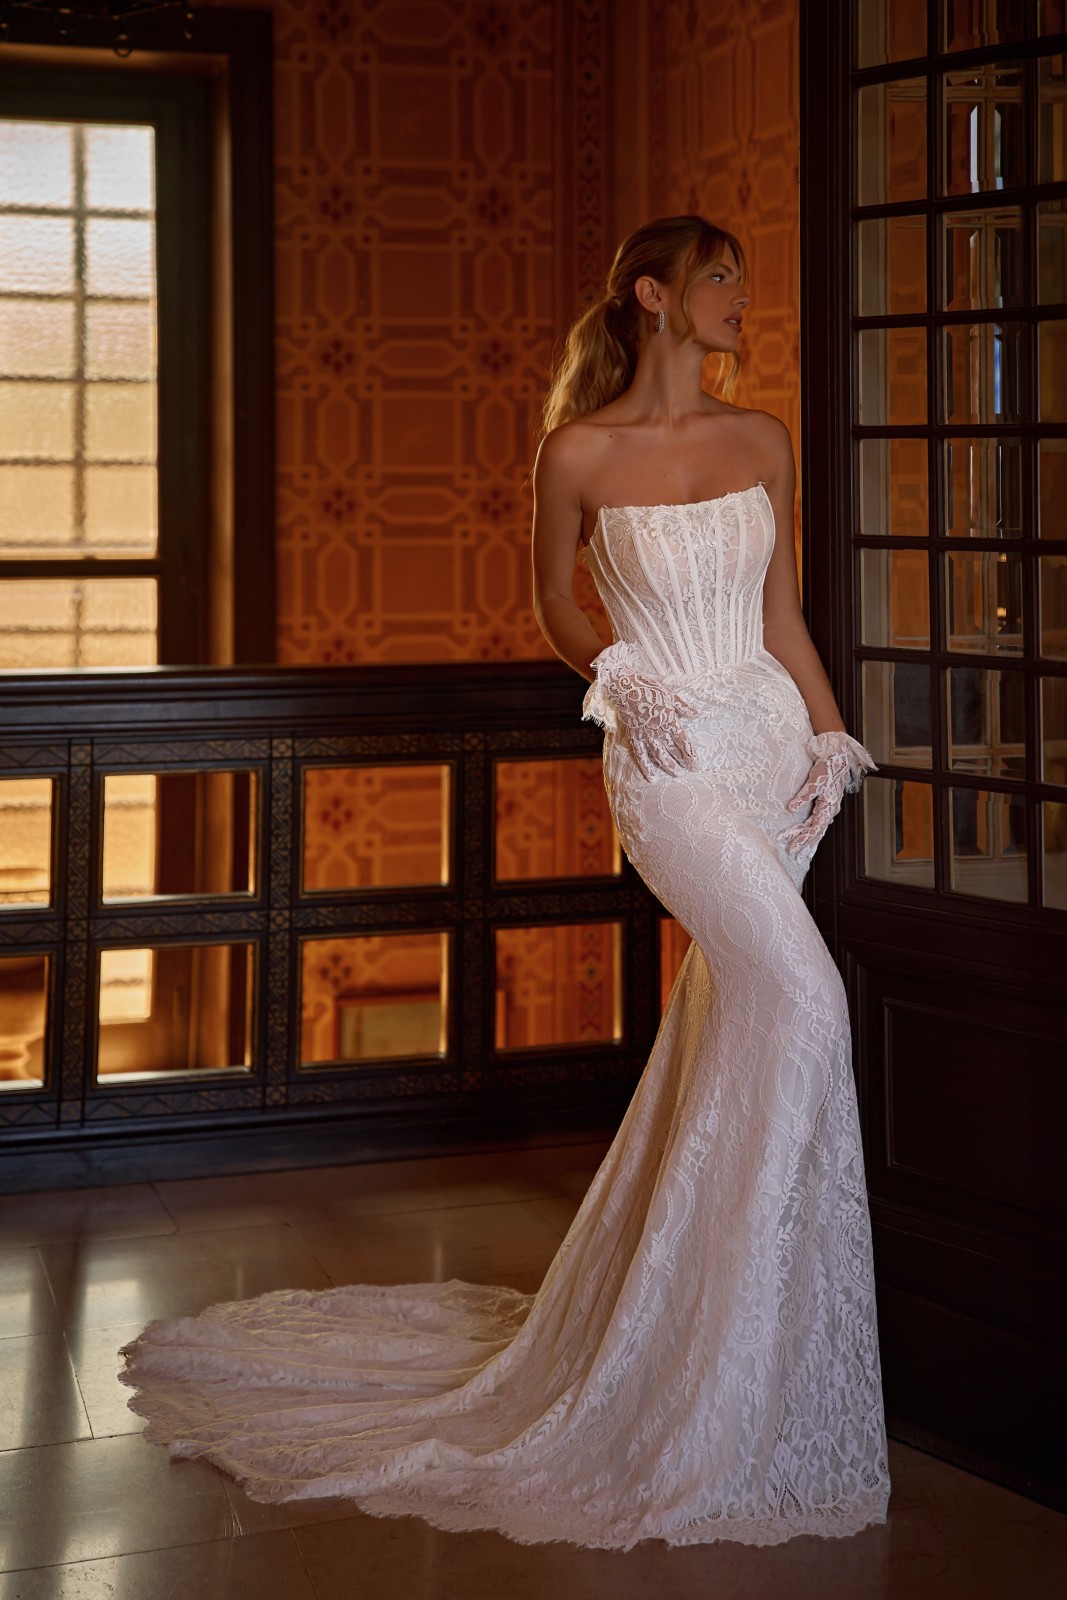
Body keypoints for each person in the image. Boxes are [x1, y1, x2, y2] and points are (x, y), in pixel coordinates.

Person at [120, 215, 889, 1552]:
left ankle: (721, 1341)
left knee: (736, 1027)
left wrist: (827, 732)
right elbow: (552, 600)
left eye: (742, 284)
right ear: (653, 295)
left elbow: (781, 618)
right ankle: (707, 1370)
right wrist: (618, 671)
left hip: (772, 754)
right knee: (807, 1006)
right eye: (720, 281)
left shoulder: (761, 437)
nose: (741, 302)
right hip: (667, 765)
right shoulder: (576, 453)